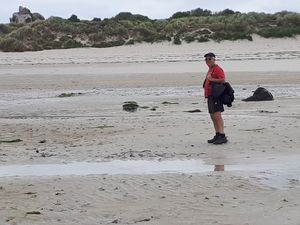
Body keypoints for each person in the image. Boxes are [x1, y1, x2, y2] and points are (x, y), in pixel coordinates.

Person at [203, 52, 228, 144]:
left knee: (217, 115)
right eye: (206, 59)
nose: (207, 61)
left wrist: (211, 79)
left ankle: (222, 135)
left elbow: (223, 79)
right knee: (213, 116)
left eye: (209, 59)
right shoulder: (211, 69)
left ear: (214, 59)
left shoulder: (217, 69)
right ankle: (217, 134)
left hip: (216, 95)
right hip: (210, 96)